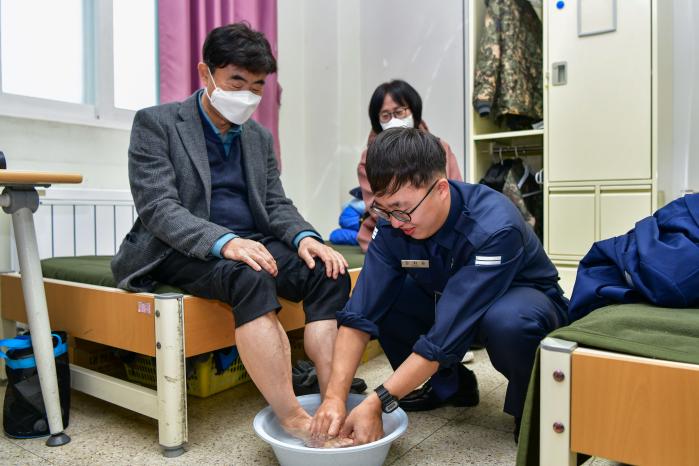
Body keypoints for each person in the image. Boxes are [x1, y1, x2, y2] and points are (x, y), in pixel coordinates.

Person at [111, 23, 352, 443]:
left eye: (256, 87)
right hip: (183, 245)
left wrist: (305, 238)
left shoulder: (258, 136)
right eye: (236, 82)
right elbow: (159, 208)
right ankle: (292, 415)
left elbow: (275, 203)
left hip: (250, 240)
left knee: (326, 268)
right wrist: (226, 242)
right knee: (249, 275)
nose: (247, 96)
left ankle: (334, 396)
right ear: (206, 75)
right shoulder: (157, 124)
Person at [310, 128, 569, 445]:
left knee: (508, 321)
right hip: (448, 300)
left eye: (402, 208)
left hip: (522, 302)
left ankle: (535, 408)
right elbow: (359, 313)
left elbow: (447, 333)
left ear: (441, 189)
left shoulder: (494, 225)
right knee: (391, 299)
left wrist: (378, 402)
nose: (395, 221)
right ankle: (451, 386)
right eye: (384, 209)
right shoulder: (394, 222)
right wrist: (335, 397)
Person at [357, 79, 463, 252]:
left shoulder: (440, 147)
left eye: (399, 112)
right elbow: (377, 208)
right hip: (392, 235)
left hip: (441, 229)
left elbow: (455, 188)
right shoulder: (369, 157)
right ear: (377, 121)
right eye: (385, 115)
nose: (393, 120)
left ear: (413, 111)